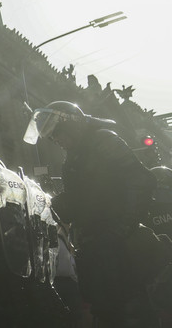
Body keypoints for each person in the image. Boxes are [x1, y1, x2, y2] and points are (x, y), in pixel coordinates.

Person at [24, 101, 172, 326]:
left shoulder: (103, 141)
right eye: (52, 138)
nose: (56, 141)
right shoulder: (73, 158)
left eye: (58, 134)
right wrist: (57, 204)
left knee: (133, 310)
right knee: (105, 312)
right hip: (94, 248)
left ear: (72, 126)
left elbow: (141, 180)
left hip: (121, 245)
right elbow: (85, 199)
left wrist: (122, 227)